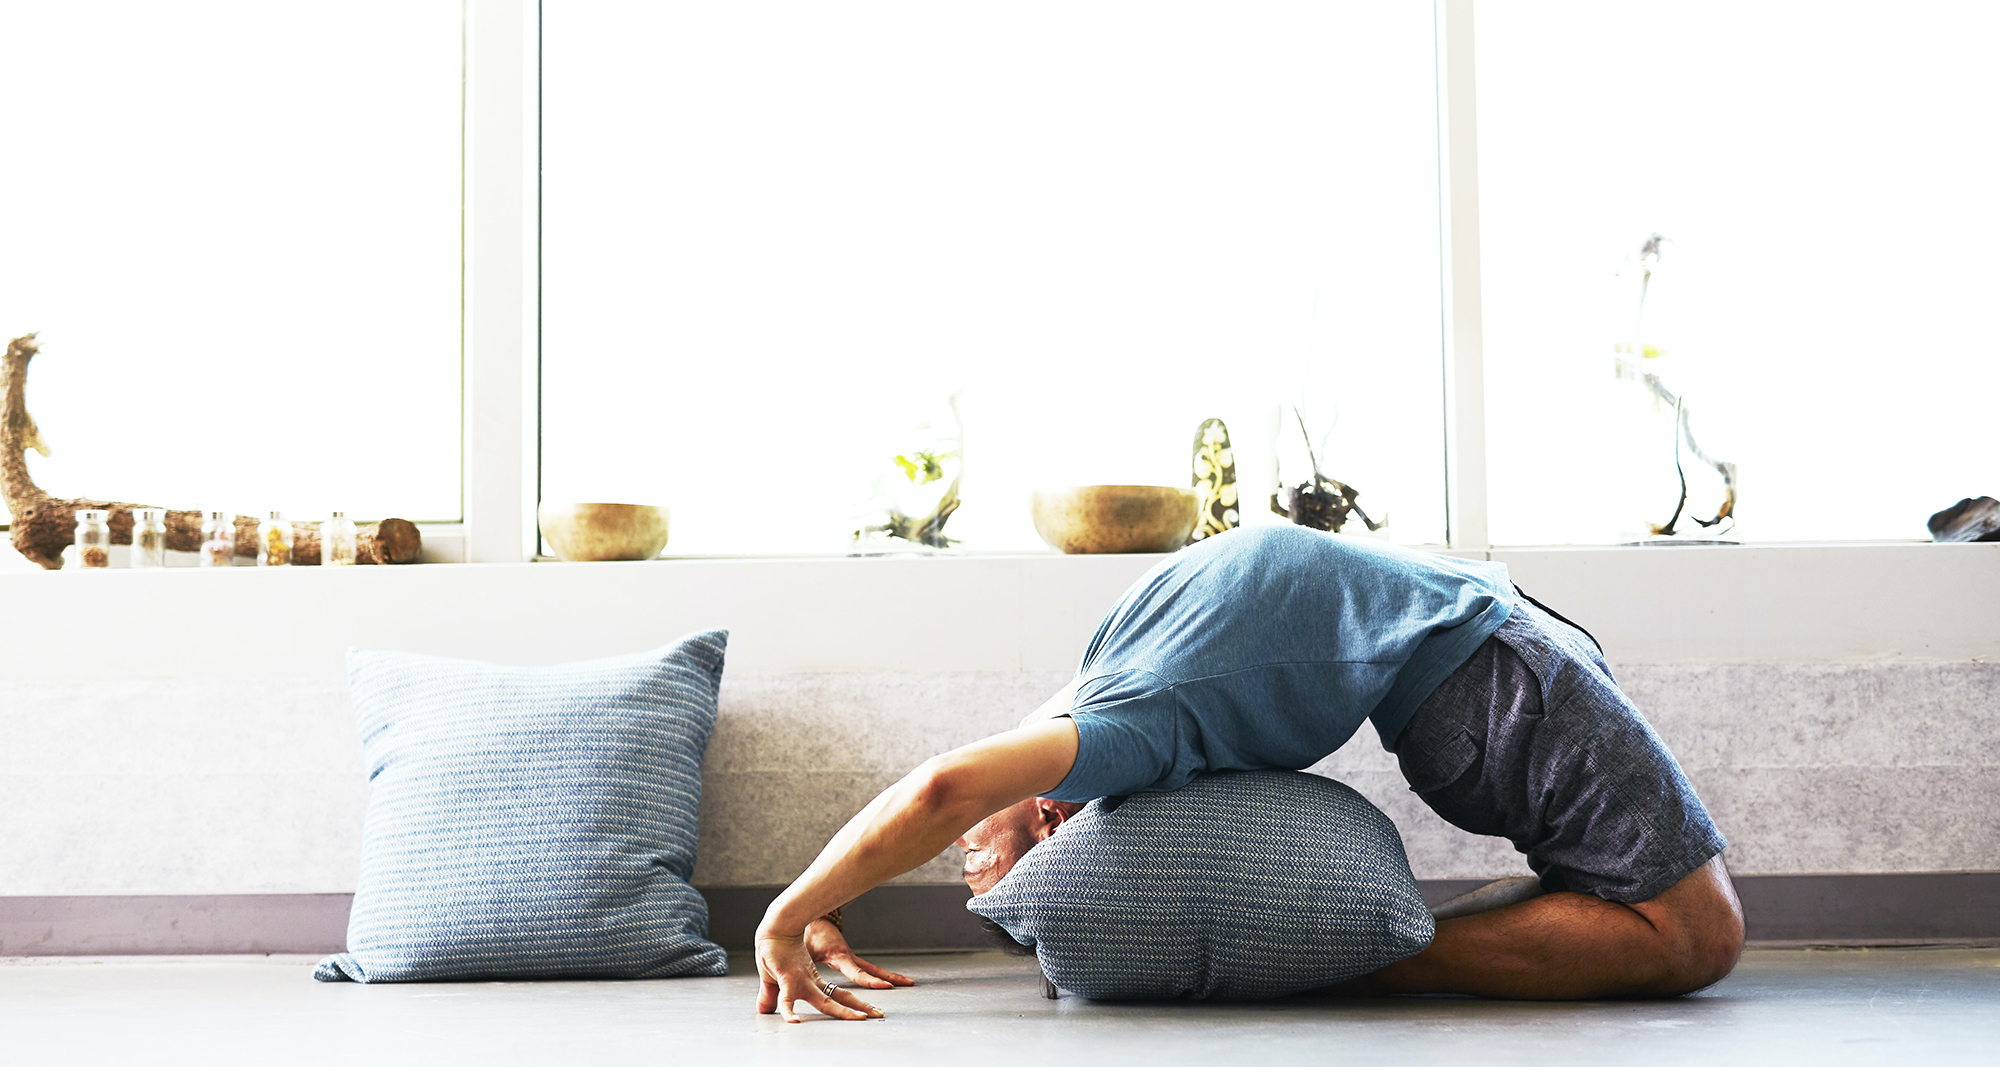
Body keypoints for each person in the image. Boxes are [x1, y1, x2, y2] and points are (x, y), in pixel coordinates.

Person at [755, 525, 1743, 1022]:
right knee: (1685, 929)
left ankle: (1372, 959)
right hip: (1486, 666)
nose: (965, 855)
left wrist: (787, 909)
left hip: (1491, 668)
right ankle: (1375, 956)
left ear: (1052, 816)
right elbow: (950, 792)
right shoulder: (1109, 674)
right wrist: (827, 891)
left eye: (977, 860)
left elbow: (937, 790)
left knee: (1686, 933)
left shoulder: (1118, 715)